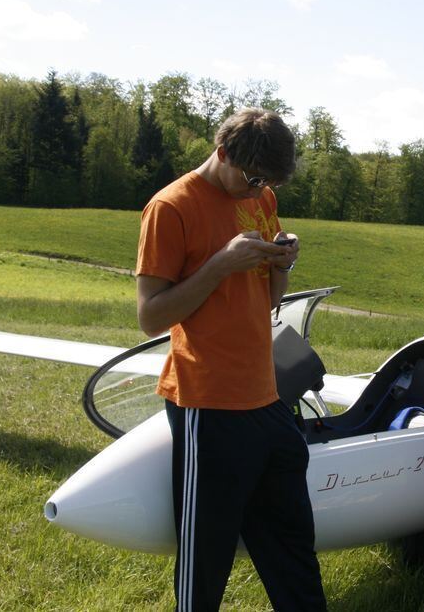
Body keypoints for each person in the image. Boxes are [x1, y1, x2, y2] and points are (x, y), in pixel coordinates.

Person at [136, 108, 326, 612]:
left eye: (268, 182)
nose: (259, 191)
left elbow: (266, 299)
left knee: (293, 547)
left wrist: (283, 261)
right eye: (253, 177)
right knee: (207, 557)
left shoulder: (260, 197)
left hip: (266, 397)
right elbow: (151, 318)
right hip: (209, 403)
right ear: (222, 153)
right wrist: (220, 264)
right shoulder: (170, 208)